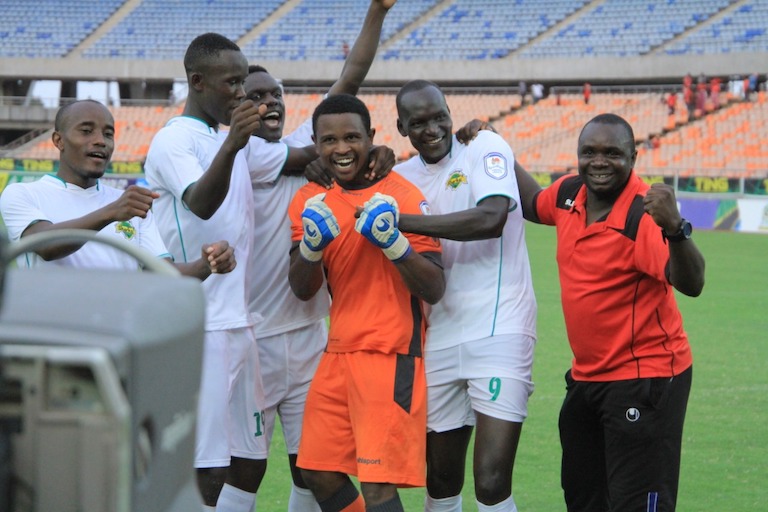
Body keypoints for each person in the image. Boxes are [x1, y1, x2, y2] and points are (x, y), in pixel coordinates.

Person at [242, 2, 396, 510]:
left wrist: (376, 11)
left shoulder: (311, 152)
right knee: (243, 469)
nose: (270, 103)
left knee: (315, 468)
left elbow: (351, 78)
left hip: (311, 336)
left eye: (276, 95)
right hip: (252, 335)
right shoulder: (235, 159)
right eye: (256, 96)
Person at [513, 113, 705, 511]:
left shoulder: (642, 216)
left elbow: (692, 283)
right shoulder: (569, 195)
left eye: (613, 153)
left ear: (633, 157)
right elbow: (532, 202)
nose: (599, 161)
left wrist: (675, 228)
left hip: (645, 377)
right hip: (588, 378)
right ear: (577, 155)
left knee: (636, 502)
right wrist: (493, 146)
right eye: (590, 152)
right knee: (584, 496)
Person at [143, 33, 292, 512]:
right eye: (232, 82)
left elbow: (309, 152)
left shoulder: (232, 139)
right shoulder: (173, 139)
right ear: (196, 81)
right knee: (204, 468)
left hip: (239, 323)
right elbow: (201, 204)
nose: (242, 93)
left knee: (246, 462)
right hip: (198, 326)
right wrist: (234, 143)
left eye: (244, 82)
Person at [287, 94, 445, 512]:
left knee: (377, 486)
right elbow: (302, 288)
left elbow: (434, 287)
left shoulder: (402, 196)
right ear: (316, 145)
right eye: (329, 140)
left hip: (390, 355)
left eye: (352, 137)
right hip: (338, 353)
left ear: (371, 137)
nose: (341, 149)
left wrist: (394, 243)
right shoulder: (310, 199)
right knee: (317, 471)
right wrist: (310, 249)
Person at [393, 80, 537, 512]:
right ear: (402, 128)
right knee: (439, 481)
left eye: (439, 116)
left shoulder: (483, 146)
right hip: (438, 336)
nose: (432, 128)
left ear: (450, 113)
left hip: (501, 329)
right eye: (418, 122)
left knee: (491, 481)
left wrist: (404, 222)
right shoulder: (400, 178)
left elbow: (492, 217)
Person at [0, 99, 234, 279]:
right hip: (53, 339)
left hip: (114, 338)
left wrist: (205, 265)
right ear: (58, 141)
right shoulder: (23, 194)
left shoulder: (130, 206)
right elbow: (45, 246)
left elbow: (162, 275)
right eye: (86, 131)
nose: (101, 140)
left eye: (108, 133)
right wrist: (111, 213)